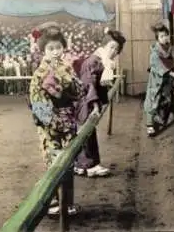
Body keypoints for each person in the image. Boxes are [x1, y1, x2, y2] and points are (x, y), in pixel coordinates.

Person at [28, 22, 83, 216]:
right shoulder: (39, 74)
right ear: (43, 50)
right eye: (50, 48)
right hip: (49, 126)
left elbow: (78, 92)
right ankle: (53, 200)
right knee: (53, 163)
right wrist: (52, 121)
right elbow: (37, 102)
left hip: (68, 121)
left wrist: (67, 84)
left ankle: (68, 202)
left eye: (58, 47)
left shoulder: (67, 68)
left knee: (68, 164)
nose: (55, 52)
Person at [73, 27, 126, 177]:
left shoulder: (102, 61)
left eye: (117, 49)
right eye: (112, 47)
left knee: (87, 132)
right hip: (84, 101)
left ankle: (81, 165)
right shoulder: (93, 61)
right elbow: (89, 84)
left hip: (87, 100)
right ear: (104, 46)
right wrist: (95, 105)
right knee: (86, 132)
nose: (114, 51)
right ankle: (90, 165)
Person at [143, 23, 174, 137]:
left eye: (166, 36)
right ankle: (150, 125)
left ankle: (161, 119)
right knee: (153, 100)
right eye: (161, 36)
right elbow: (156, 65)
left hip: (167, 78)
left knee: (166, 99)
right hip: (156, 79)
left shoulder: (170, 48)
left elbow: (172, 61)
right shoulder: (155, 52)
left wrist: (173, 70)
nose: (164, 38)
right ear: (157, 38)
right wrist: (170, 72)